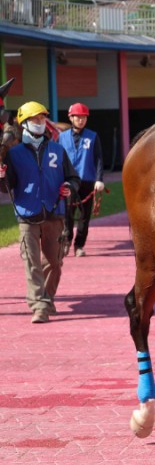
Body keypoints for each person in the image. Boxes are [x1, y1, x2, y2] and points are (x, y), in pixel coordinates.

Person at [0, 101, 79, 324]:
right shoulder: (13, 154)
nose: (40, 122)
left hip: (55, 213)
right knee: (32, 263)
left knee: (54, 263)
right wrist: (1, 177)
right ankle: (39, 306)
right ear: (24, 122)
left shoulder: (57, 150)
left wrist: (69, 186)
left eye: (43, 118)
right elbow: (6, 187)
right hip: (27, 214)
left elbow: (73, 177)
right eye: (35, 119)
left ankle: (47, 298)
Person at [57, 102, 104, 258]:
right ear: (71, 118)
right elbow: (56, 159)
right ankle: (66, 242)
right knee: (67, 214)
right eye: (78, 117)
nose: (81, 120)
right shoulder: (61, 138)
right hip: (68, 182)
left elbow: (98, 159)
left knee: (84, 216)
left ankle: (79, 246)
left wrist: (99, 179)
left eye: (84, 117)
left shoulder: (93, 136)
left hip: (87, 180)